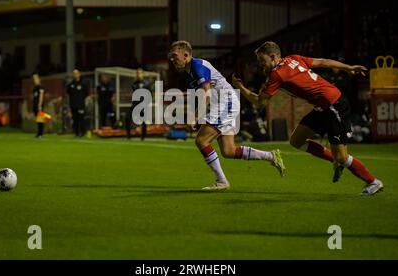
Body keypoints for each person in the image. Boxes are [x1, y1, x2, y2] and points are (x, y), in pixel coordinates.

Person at [232, 41, 383, 196]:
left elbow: (260, 103)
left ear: (273, 57)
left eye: (262, 61)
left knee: (342, 157)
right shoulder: (294, 58)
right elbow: (323, 62)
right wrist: (348, 67)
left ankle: (373, 182)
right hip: (322, 107)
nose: (261, 65)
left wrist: (240, 88)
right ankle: (335, 160)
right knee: (296, 140)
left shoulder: (277, 74)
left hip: (334, 106)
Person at [168, 40, 285, 191]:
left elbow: (206, 94)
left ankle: (221, 180)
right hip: (225, 102)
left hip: (225, 102)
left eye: (174, 55)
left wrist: (195, 116)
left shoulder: (197, 66)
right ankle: (271, 156)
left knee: (201, 140)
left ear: (185, 55)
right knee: (228, 151)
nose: (172, 59)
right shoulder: (189, 70)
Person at [126, 68, 151, 140]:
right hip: (134, 105)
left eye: (140, 73)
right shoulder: (134, 83)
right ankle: (128, 137)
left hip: (143, 105)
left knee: (144, 121)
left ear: (142, 74)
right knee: (127, 118)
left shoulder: (146, 83)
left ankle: (143, 137)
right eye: (137, 73)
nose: (138, 74)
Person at [66, 69, 89, 137]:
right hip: (73, 105)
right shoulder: (70, 85)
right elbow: (68, 93)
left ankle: (82, 132)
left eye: (76, 73)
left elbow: (86, 94)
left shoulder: (83, 84)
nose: (75, 75)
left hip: (81, 105)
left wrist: (80, 100)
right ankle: (76, 133)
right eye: (74, 73)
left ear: (79, 74)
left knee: (81, 119)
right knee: (75, 119)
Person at [32, 74, 44, 138]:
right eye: (34, 79)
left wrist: (40, 105)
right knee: (37, 119)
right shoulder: (34, 87)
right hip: (35, 105)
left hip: (39, 106)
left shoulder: (40, 87)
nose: (35, 80)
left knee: (40, 120)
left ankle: (40, 133)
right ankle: (38, 133)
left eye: (36, 78)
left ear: (39, 79)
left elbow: (41, 95)